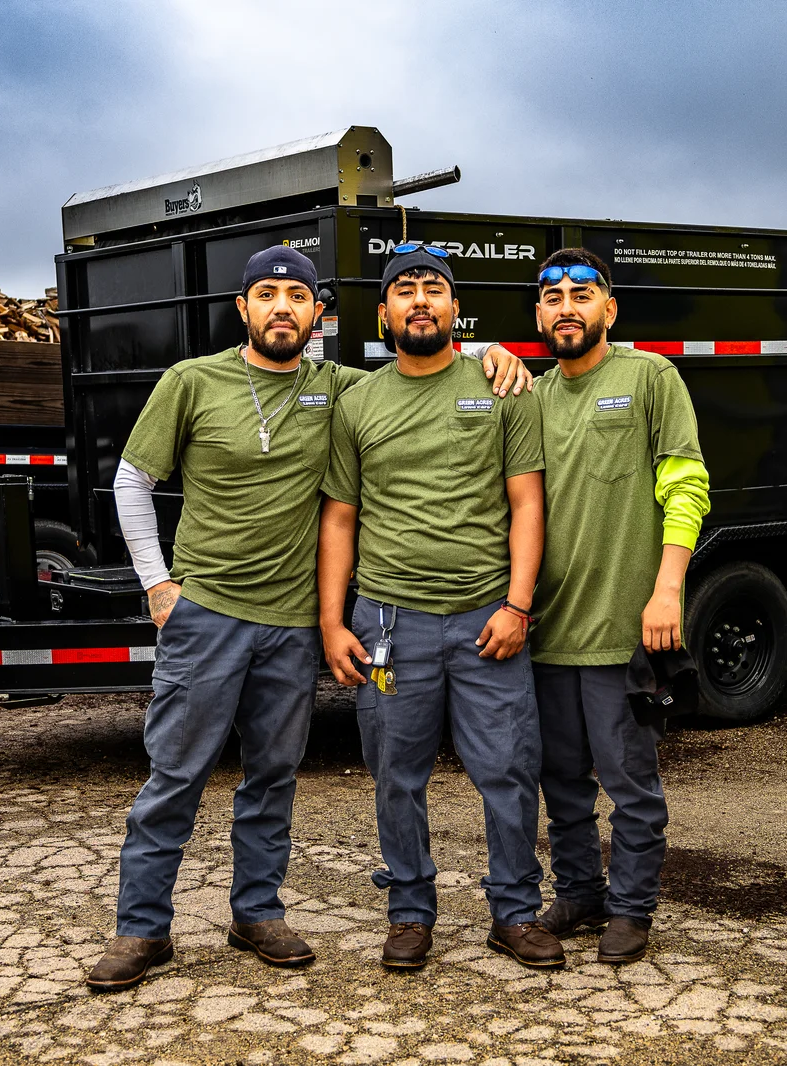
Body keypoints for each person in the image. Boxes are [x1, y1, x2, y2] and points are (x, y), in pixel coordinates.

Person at [88, 245, 533, 992]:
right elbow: (133, 480)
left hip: (292, 625)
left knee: (272, 776)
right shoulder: (191, 382)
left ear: (318, 315)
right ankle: (142, 930)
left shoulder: (340, 389)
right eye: (267, 295)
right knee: (176, 776)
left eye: (297, 297)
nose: (282, 308)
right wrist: (158, 585)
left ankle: (256, 913)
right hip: (206, 616)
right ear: (244, 309)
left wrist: (492, 352)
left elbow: (421, 362)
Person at [318, 247, 561, 972]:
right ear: (385, 313)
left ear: (456, 309)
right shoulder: (357, 402)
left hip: (488, 620)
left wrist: (518, 605)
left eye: (434, 289)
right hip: (390, 627)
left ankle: (514, 911)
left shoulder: (501, 388)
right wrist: (334, 622)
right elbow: (338, 517)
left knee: (510, 770)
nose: (420, 300)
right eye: (404, 291)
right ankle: (410, 910)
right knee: (395, 772)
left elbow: (527, 502)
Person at [493, 248, 710, 965]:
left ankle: (633, 909)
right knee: (562, 784)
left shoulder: (649, 377)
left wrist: (668, 587)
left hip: (624, 633)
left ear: (608, 309)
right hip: (548, 633)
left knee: (631, 784)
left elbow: (686, 484)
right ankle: (582, 892)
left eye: (581, 294)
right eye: (551, 296)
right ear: (538, 316)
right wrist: (488, 350)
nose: (566, 306)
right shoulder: (530, 398)